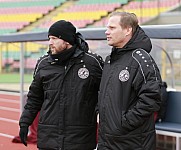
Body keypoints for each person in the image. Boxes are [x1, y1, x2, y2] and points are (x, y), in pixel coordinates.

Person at [19, 20, 103, 150]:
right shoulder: (43, 64)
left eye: (54, 38)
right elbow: (35, 98)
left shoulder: (92, 63)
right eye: (49, 38)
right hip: (49, 138)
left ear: (67, 40)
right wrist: (24, 123)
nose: (50, 42)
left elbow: (105, 96)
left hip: (80, 139)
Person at [97, 11, 162, 150]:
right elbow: (104, 93)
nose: (106, 32)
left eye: (112, 28)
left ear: (127, 30)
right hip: (107, 140)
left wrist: (124, 123)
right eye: (107, 27)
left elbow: (152, 98)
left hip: (131, 142)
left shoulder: (141, 59)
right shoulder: (110, 60)